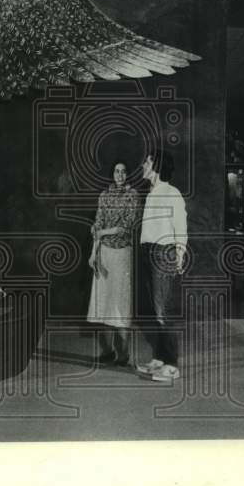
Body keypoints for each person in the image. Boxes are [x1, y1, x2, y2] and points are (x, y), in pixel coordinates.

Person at [136, 150, 189, 382]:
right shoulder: (151, 193)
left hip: (163, 253)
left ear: (156, 165)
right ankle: (159, 358)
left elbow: (181, 226)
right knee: (153, 310)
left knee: (163, 311)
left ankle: (172, 365)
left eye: (146, 161)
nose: (142, 165)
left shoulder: (172, 193)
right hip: (147, 251)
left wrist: (179, 253)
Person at [86, 161, 139, 366]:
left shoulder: (132, 195)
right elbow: (97, 223)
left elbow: (125, 227)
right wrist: (93, 254)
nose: (120, 174)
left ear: (127, 174)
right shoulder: (104, 196)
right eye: (116, 171)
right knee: (102, 304)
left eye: (123, 171)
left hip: (122, 254)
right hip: (103, 253)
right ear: (112, 174)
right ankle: (107, 351)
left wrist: (101, 232)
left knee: (120, 305)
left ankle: (123, 354)